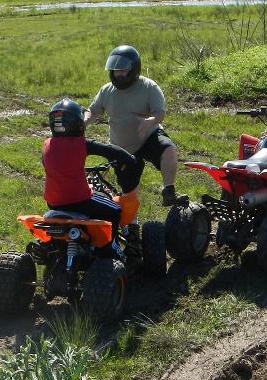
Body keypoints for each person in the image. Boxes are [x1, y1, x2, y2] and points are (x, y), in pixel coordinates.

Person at [84, 45, 188, 261]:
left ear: (134, 70)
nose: (117, 74)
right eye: (114, 71)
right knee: (129, 192)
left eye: (122, 70)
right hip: (121, 147)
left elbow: (160, 112)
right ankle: (132, 232)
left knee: (168, 148)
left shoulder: (149, 87)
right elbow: (93, 111)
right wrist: (84, 121)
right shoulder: (107, 91)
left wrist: (151, 121)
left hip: (148, 137)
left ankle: (168, 189)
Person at [42, 98, 138, 259]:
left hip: (53, 202)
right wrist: (130, 160)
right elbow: (113, 151)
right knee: (115, 210)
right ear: (78, 124)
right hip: (80, 201)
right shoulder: (81, 144)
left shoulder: (46, 144)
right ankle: (110, 248)